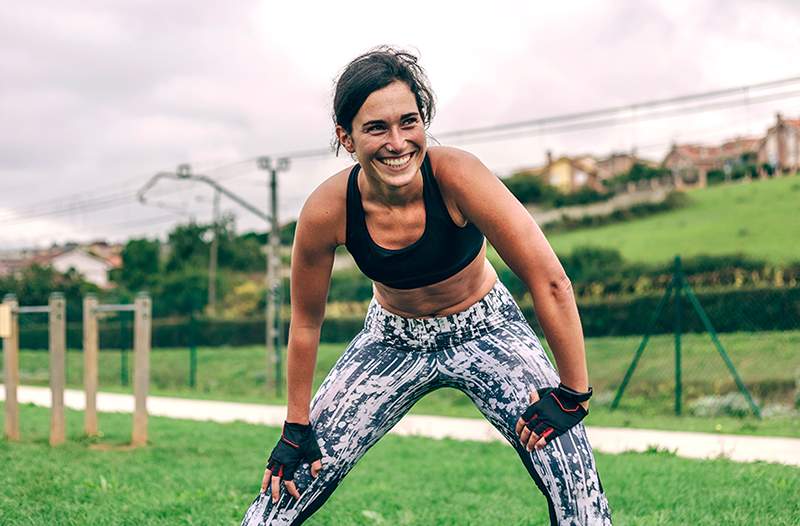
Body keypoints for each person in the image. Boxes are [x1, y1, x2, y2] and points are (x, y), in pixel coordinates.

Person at [241, 47, 612, 526]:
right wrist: (295, 425)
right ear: (346, 137)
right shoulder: (326, 210)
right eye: (376, 128)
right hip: (391, 341)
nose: (397, 142)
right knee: (290, 482)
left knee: (577, 487)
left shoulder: (458, 176)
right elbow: (307, 319)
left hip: (487, 329)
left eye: (408, 122)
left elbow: (551, 280)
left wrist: (573, 392)